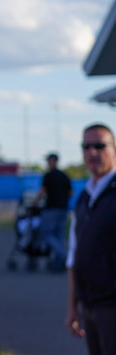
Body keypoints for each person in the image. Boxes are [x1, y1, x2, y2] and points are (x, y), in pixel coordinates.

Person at [66, 123, 116, 355]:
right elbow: (73, 256)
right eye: (86, 146)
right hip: (90, 305)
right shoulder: (84, 197)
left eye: (99, 145)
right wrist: (72, 306)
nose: (92, 152)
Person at [33, 152, 72, 272]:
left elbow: (42, 192)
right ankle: (58, 262)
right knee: (58, 235)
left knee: (47, 234)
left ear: (51, 161)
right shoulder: (64, 176)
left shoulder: (48, 176)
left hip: (51, 209)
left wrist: (33, 203)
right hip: (63, 208)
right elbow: (71, 193)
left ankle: (62, 256)